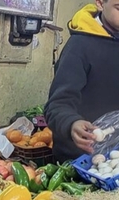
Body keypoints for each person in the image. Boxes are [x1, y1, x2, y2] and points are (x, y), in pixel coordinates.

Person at [44, 0, 119, 162]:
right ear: (100, 3)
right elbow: (56, 105)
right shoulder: (79, 46)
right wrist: (72, 123)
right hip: (80, 161)